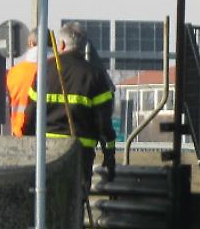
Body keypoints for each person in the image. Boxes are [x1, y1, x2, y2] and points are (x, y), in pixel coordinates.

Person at [23, 22, 117, 181]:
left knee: (47, 199)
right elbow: (103, 122)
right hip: (81, 152)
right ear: (84, 46)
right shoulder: (94, 75)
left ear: (61, 44)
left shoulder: (45, 70)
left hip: (47, 151)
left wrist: (27, 145)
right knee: (76, 199)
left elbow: (31, 112)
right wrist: (109, 156)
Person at [6, 30, 41, 137]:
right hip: (52, 133)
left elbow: (7, 103)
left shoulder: (14, 72)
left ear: (30, 43)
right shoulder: (58, 70)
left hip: (19, 132)